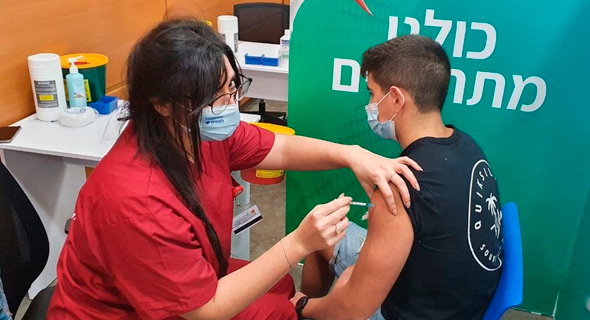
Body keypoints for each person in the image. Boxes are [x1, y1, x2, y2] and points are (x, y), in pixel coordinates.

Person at [46, 19, 421, 320]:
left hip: (197, 272)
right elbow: (202, 310)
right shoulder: (135, 202)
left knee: (282, 291)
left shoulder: (196, 132)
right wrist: (298, 244)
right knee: (281, 310)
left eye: (232, 86)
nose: (231, 103)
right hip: (128, 309)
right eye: (218, 95)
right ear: (162, 103)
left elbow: (282, 147)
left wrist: (352, 154)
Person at [294, 34, 503, 320]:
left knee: (335, 280)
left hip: (415, 312)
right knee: (326, 237)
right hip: (461, 302)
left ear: (395, 98)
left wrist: (302, 306)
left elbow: (352, 309)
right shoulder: (467, 145)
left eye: (371, 93)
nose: (369, 104)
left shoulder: (398, 188)